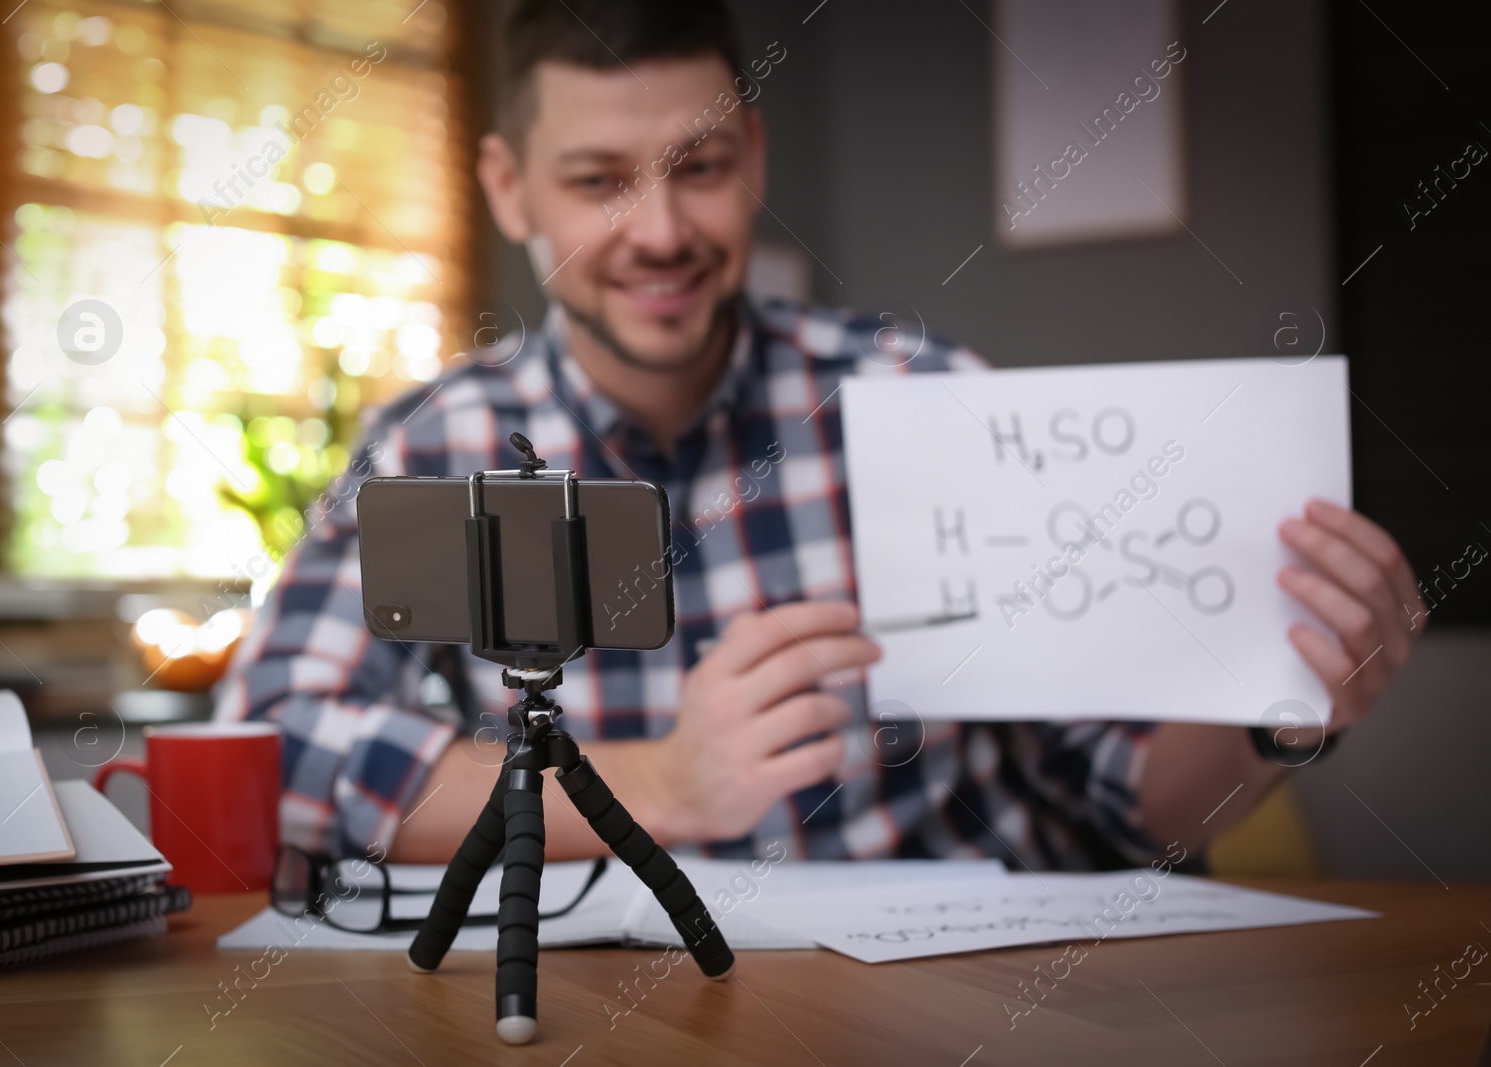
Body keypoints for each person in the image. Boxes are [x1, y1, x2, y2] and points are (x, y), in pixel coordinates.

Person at [215, 0, 1423, 872]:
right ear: (507, 187)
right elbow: (273, 748)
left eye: (701, 164)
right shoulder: (436, 445)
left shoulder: (923, 394)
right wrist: (663, 784)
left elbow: (1132, 802)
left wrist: (1276, 699)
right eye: (597, 180)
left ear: (756, 160)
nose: (660, 230)